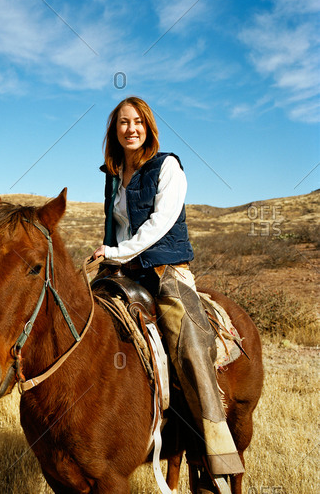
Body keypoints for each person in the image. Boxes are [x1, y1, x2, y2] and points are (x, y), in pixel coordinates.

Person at [92, 97, 243, 489]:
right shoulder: (112, 175)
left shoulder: (167, 166)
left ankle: (217, 455)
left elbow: (160, 223)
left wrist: (116, 251)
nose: (131, 129)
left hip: (165, 270)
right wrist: (108, 258)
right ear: (114, 131)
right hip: (123, 272)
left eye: (138, 122)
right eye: (123, 123)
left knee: (190, 345)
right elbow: (118, 229)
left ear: (149, 127)